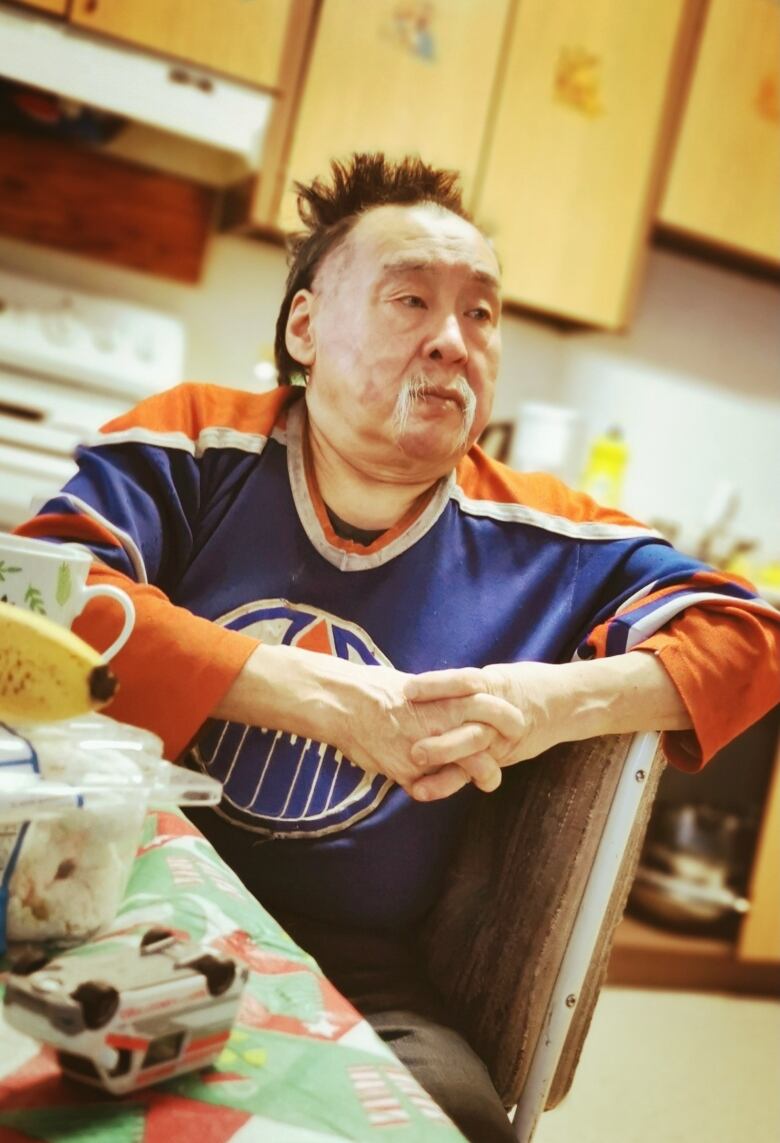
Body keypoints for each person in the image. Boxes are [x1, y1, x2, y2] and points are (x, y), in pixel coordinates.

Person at [17, 153, 779, 1141]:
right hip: (109, 908)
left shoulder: (548, 539)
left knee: (455, 1120)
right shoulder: (193, 443)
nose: (453, 341)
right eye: (410, 299)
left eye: (482, 314)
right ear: (304, 328)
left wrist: (551, 703)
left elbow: (752, 638)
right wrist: (326, 699)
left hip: (365, 977)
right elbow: (38, 603)